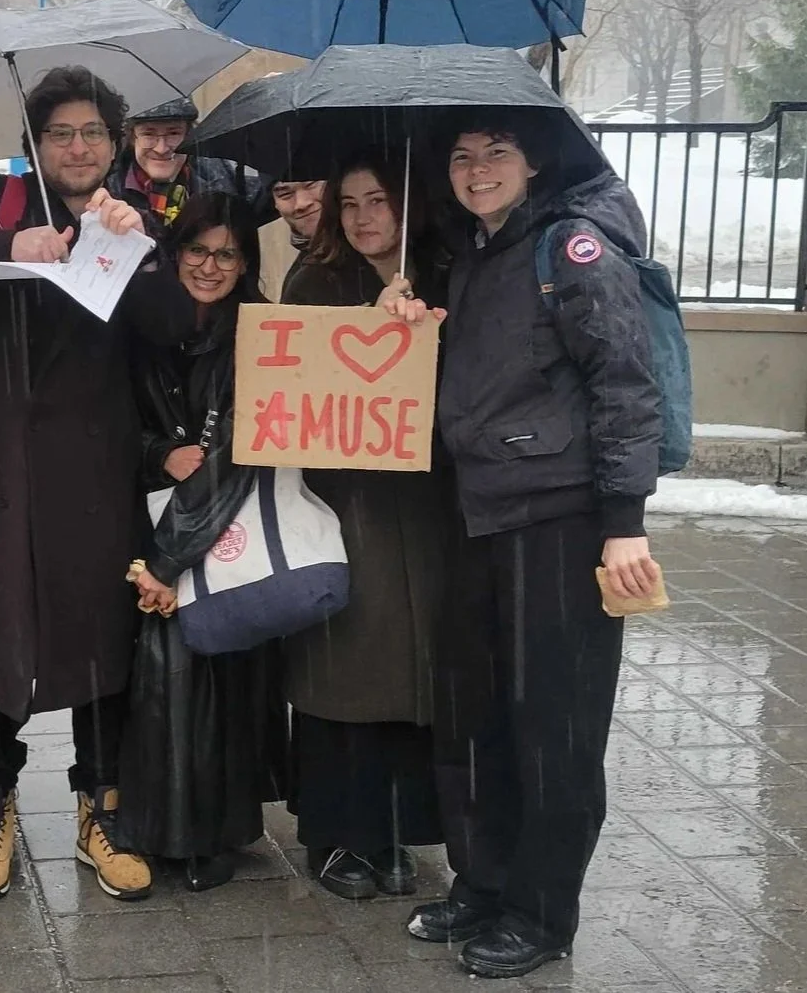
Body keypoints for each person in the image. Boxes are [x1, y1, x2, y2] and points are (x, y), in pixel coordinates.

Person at [0, 66, 197, 903]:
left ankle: (102, 807)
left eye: (92, 133)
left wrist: (136, 253)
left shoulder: (126, 219)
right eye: (60, 133)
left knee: (100, 632)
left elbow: (176, 327)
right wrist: (4, 248)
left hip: (90, 468)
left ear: (113, 144)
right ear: (33, 141)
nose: (77, 147)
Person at [393, 117, 663, 980]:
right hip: (472, 513)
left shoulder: (571, 249)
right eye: (462, 155)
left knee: (554, 725)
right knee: (471, 718)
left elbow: (624, 385)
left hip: (559, 517)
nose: (476, 171)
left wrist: (623, 519)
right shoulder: (470, 252)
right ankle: (483, 880)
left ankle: (541, 912)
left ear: (533, 162)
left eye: (495, 155)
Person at [277, 150, 455, 903]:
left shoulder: (446, 274)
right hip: (342, 505)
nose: (362, 218)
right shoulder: (314, 281)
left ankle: (395, 829)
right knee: (340, 671)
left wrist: (430, 328)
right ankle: (335, 829)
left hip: (427, 507)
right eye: (347, 204)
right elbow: (286, 387)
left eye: (377, 200)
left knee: (414, 674)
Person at [117, 192, 290, 893]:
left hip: (219, 526)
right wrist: (161, 452)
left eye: (225, 253)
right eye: (196, 250)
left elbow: (241, 452)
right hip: (157, 521)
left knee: (222, 679)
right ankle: (168, 827)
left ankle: (211, 833)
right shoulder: (142, 328)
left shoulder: (255, 332)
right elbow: (110, 420)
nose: (209, 266)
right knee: (169, 682)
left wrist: (169, 558)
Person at [107, 98, 254, 240]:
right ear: (132, 138)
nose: (161, 148)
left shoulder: (221, 178)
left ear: (189, 136)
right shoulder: (105, 192)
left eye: (173, 133)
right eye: (148, 134)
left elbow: (270, 193)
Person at [257, 177, 326, 303]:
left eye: (311, 185)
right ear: (275, 203)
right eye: (285, 194)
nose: (301, 203)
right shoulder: (302, 282)